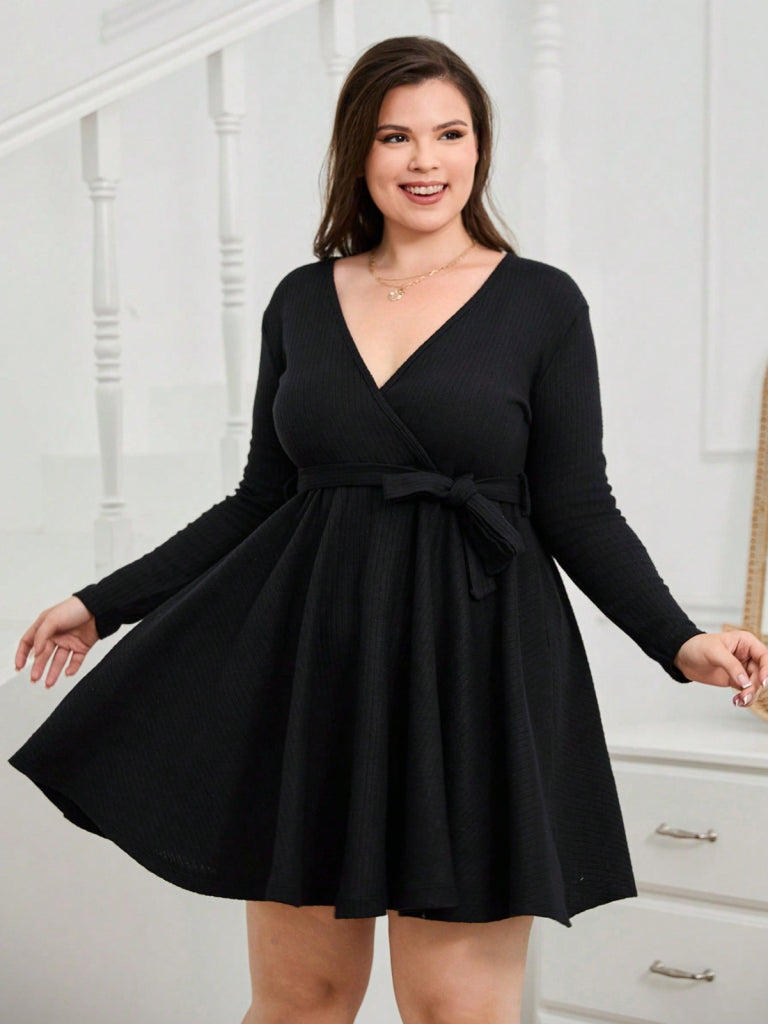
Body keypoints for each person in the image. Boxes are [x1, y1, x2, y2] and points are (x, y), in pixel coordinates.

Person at [9, 35, 768, 1024]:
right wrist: (102, 603)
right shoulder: (301, 298)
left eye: (450, 134)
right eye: (396, 136)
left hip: (478, 669)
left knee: (457, 1009)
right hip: (319, 673)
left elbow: (579, 506)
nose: (426, 160)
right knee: (302, 1001)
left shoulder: (542, 302)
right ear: (358, 153)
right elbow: (259, 499)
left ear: (480, 146)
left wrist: (679, 639)